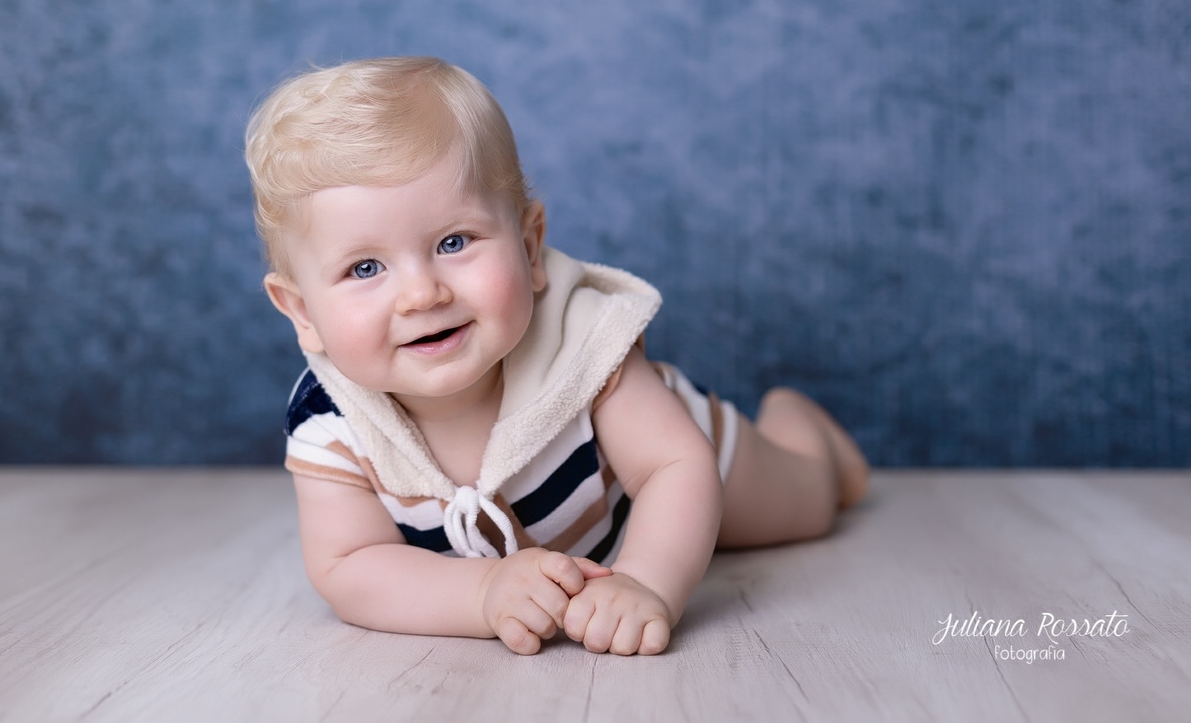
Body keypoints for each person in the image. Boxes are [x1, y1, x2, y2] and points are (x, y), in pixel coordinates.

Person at [245, 56, 868, 657]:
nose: (422, 294)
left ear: (530, 245)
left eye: (453, 241)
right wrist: (484, 592)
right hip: (584, 529)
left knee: (811, 503)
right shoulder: (331, 423)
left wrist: (646, 581)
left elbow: (674, 467)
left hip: (693, 465)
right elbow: (350, 567)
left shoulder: (583, 345)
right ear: (302, 312)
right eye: (365, 267)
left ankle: (803, 428)